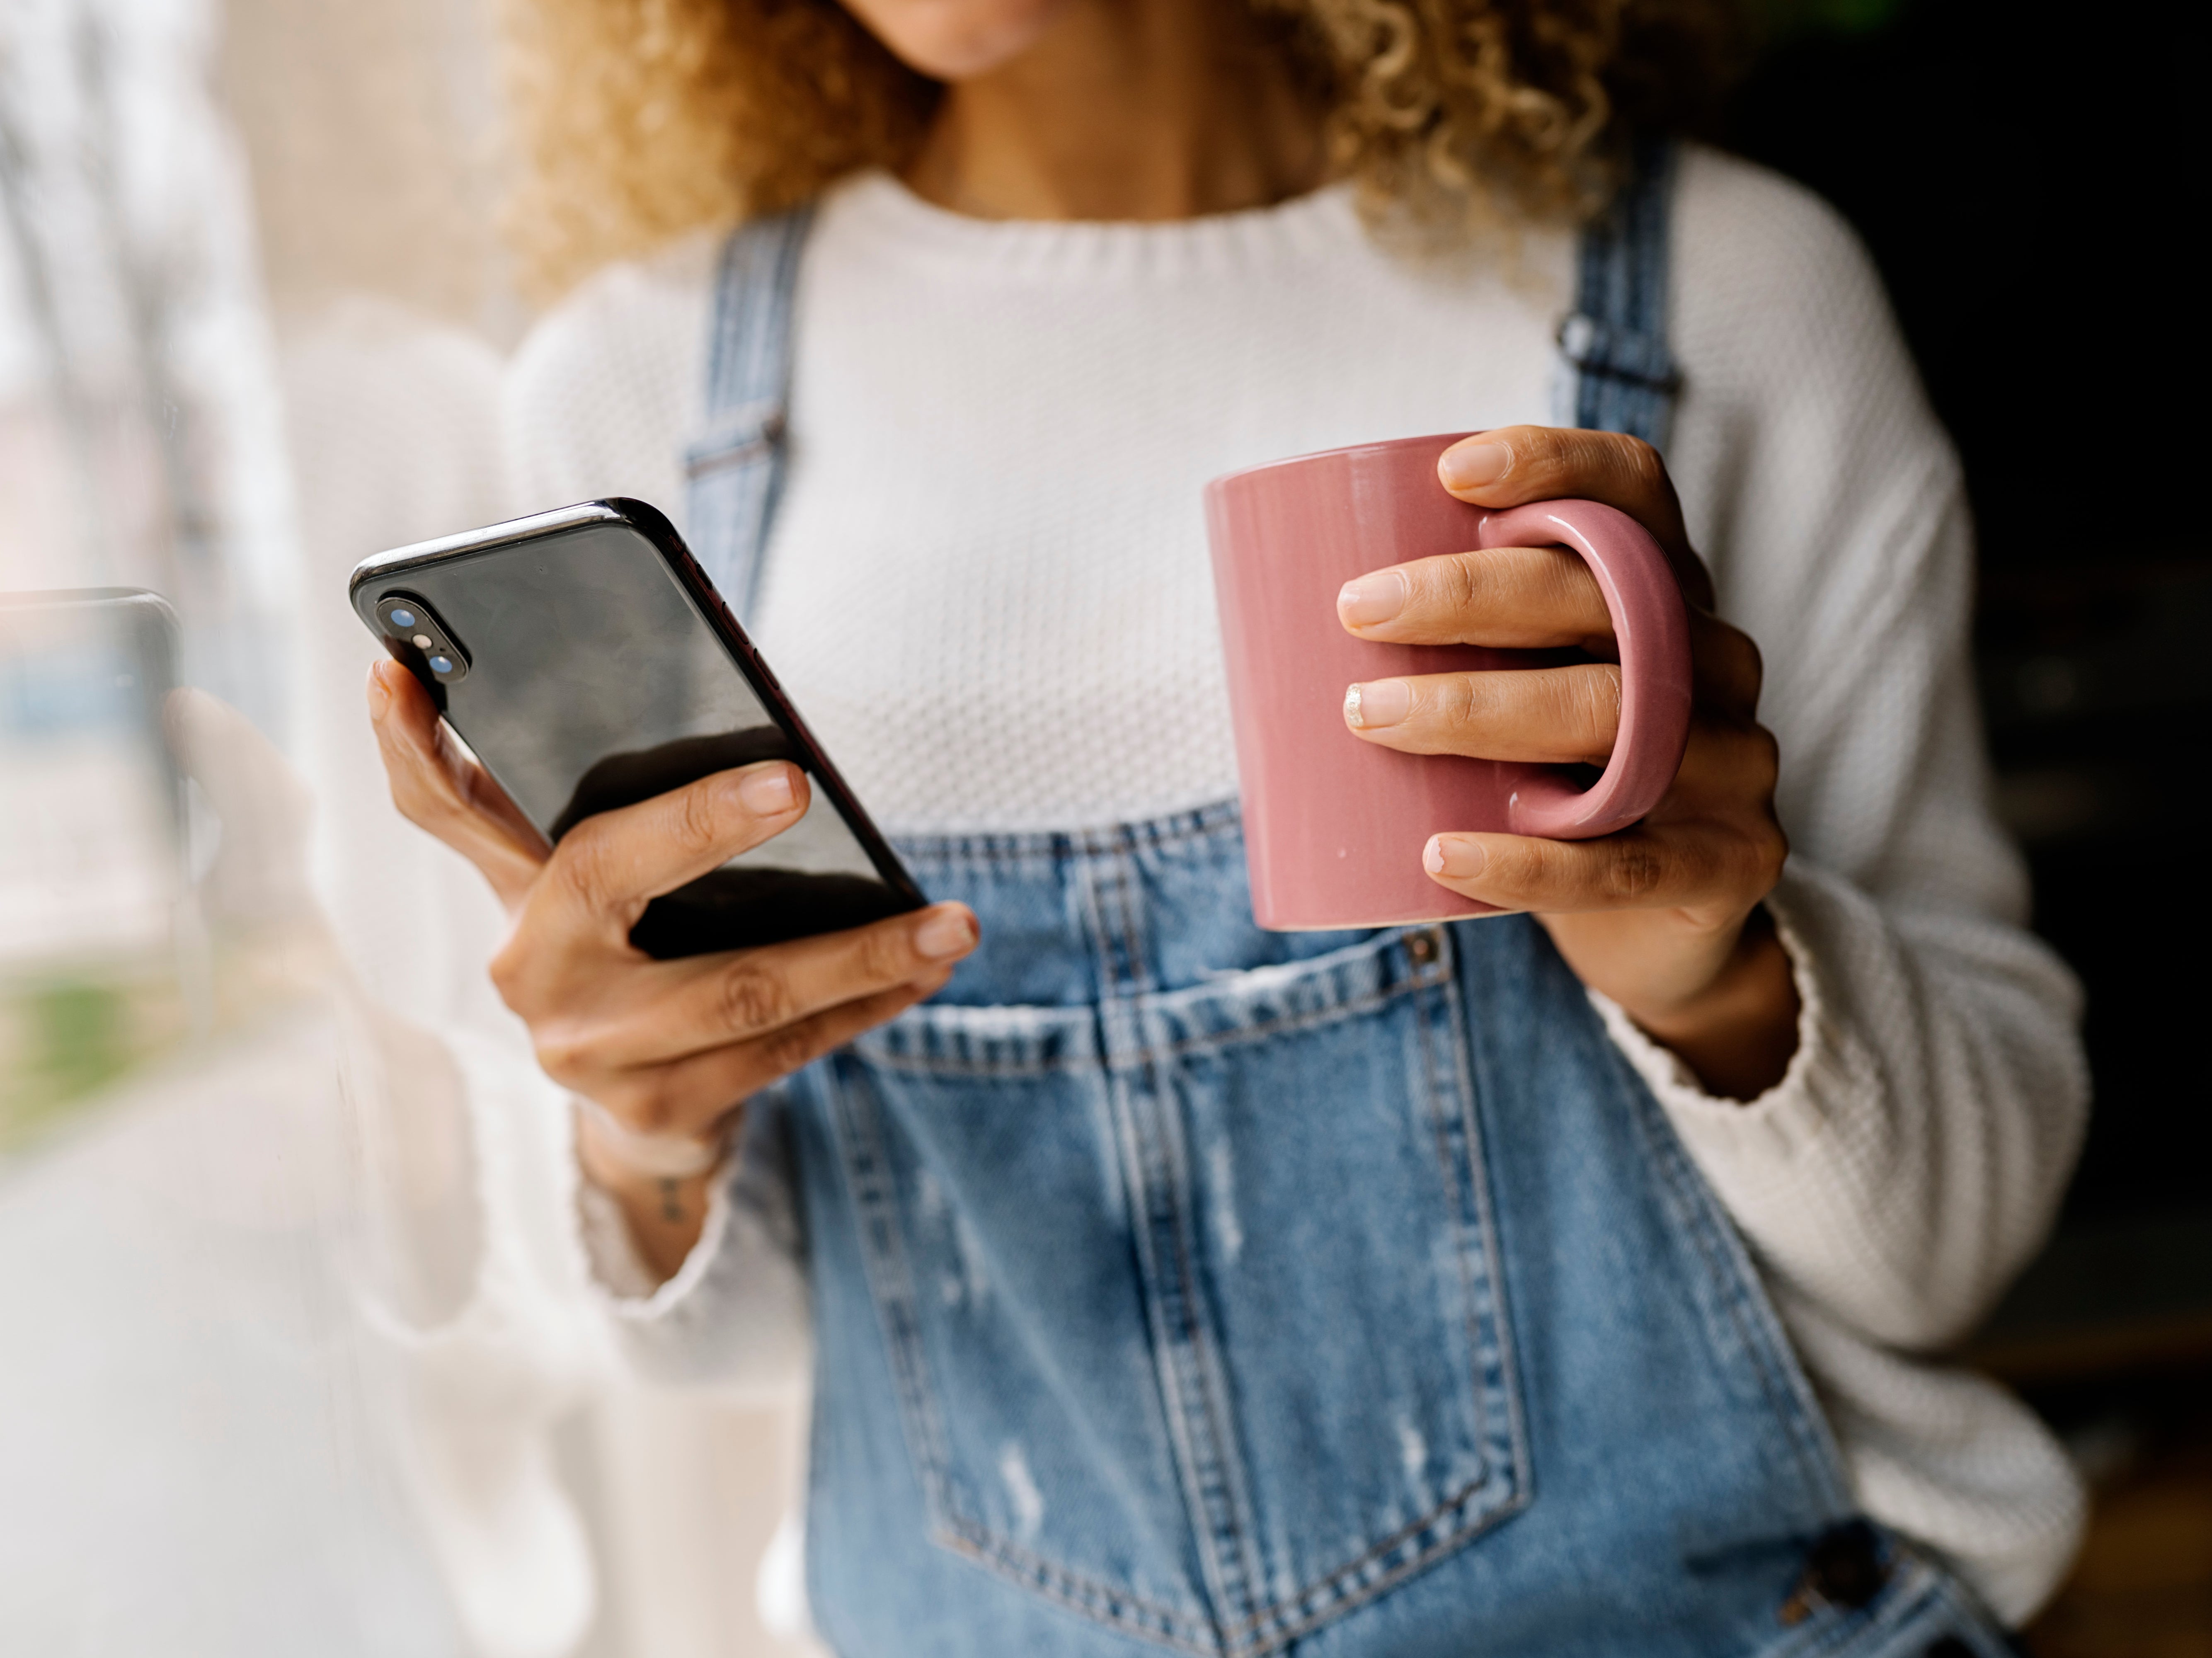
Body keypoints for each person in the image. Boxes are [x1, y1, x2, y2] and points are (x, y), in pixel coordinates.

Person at [363, 1, 2087, 1651]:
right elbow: (712, 1354)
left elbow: (1947, 1257)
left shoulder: (1727, 292)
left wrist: (1722, 979)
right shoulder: (638, 389)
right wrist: (644, 1141)